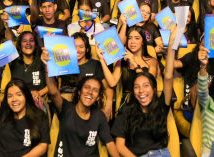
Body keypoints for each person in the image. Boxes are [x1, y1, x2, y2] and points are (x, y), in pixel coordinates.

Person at [111, 26, 178, 157]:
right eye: (136, 87)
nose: (141, 90)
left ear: (153, 88)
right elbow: (119, 146)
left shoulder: (160, 105)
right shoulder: (126, 110)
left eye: (146, 85)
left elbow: (169, 77)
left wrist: (171, 46)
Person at [0, 56, 50, 157]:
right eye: (10, 96)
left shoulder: (39, 116)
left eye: (19, 94)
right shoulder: (3, 113)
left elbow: (43, 145)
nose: (14, 99)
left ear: (26, 96)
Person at [45, 67, 119, 156]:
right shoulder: (66, 108)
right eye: (87, 87)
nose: (90, 92)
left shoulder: (99, 116)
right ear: (79, 91)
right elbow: (53, 92)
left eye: (95, 90)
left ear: (98, 97)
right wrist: (47, 66)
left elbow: (110, 143)